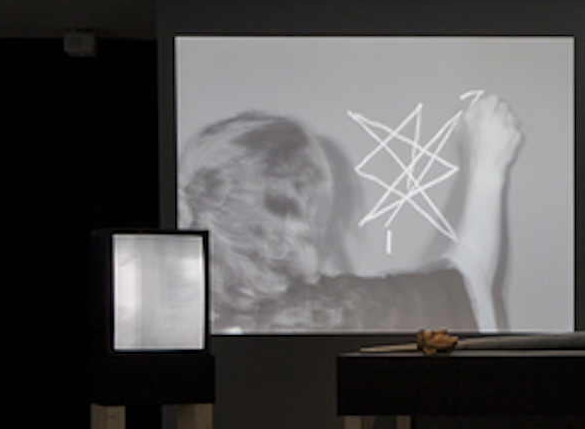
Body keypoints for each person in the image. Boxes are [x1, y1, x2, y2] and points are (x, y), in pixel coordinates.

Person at [177, 92, 523, 333]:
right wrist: (487, 166)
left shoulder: (165, 308)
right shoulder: (320, 315)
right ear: (290, 230)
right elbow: (465, 289)